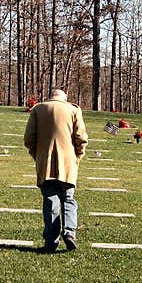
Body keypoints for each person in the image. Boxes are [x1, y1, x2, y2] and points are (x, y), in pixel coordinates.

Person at [24, 88, 88, 252]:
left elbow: (29, 139)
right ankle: (69, 233)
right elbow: (81, 138)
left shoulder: (38, 109)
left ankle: (51, 241)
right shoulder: (73, 110)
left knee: (50, 201)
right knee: (68, 199)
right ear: (64, 98)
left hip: (45, 162)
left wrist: (38, 156)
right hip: (68, 162)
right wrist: (77, 158)